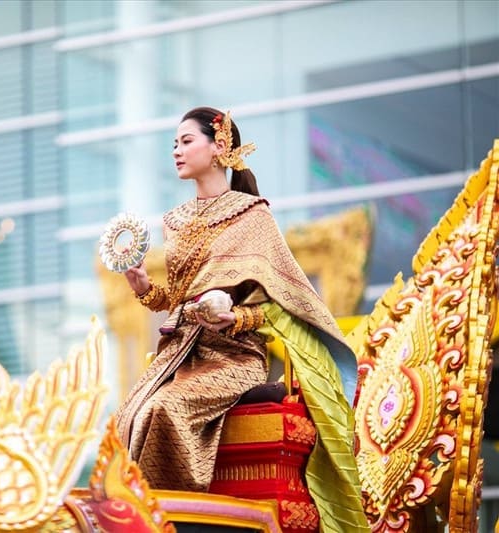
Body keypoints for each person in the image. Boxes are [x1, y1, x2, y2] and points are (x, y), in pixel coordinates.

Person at [115, 106, 368, 531]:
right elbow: (177, 300)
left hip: (235, 357)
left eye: (186, 141)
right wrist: (145, 289)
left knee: (165, 408)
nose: (176, 151)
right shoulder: (173, 223)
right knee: (127, 416)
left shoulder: (253, 216)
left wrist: (232, 317)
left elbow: (278, 306)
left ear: (219, 147)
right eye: (173, 144)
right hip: (181, 355)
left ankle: (174, 520)